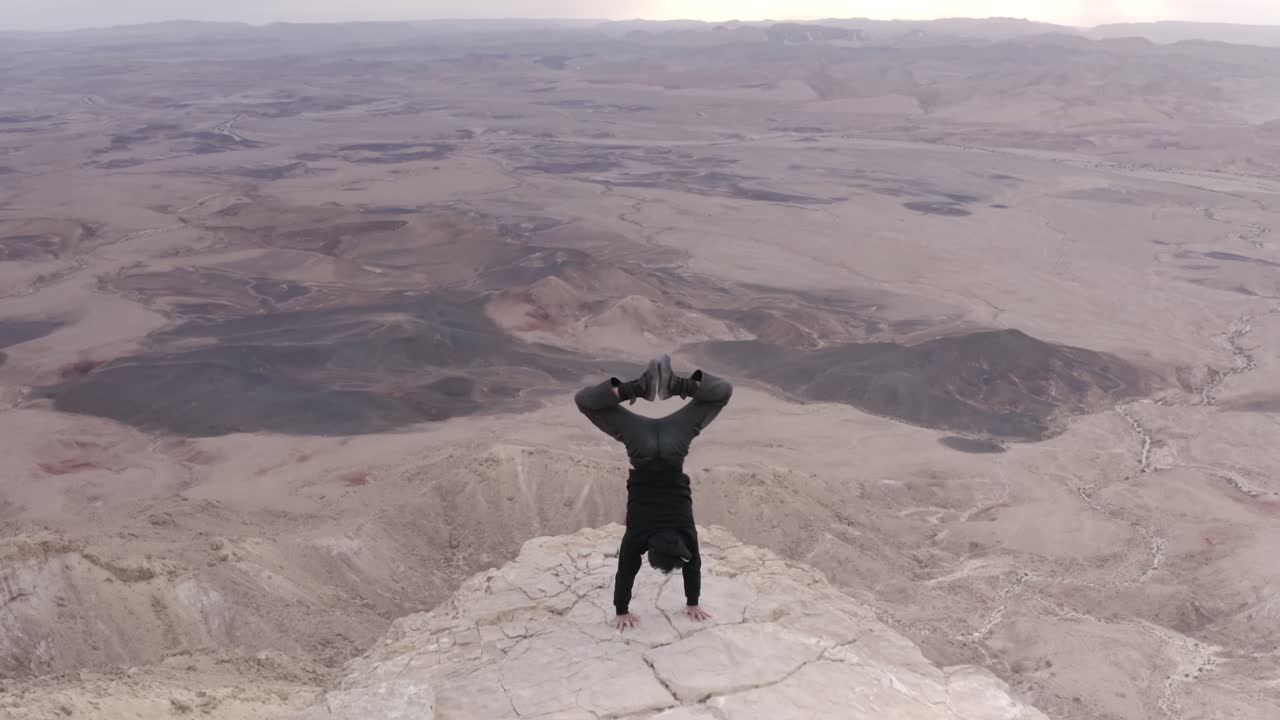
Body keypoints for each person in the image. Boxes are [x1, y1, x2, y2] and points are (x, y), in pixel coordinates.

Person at [574, 354, 733, 631]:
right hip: (642, 447)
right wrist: (621, 610)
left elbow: (693, 566)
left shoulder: (684, 532)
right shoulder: (638, 535)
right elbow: (625, 572)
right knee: (585, 402)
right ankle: (634, 388)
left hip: (674, 445)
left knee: (722, 393)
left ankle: (674, 386)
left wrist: (693, 602)